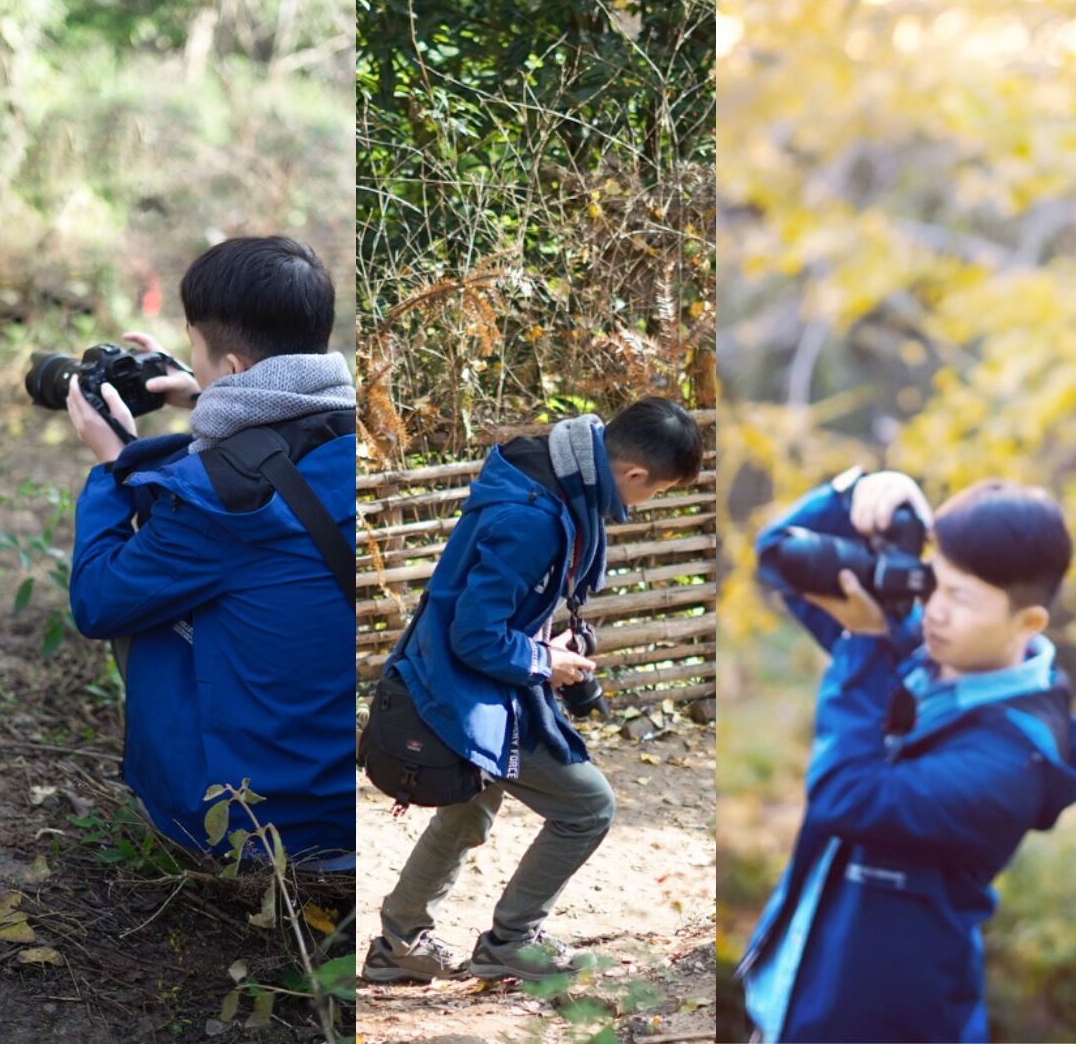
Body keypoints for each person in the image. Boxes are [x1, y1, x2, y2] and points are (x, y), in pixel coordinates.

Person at [360, 397, 705, 983]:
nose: (652, 502)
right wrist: (544, 660)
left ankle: (399, 945)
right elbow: (475, 635)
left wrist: (545, 633)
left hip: (469, 681)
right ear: (635, 474)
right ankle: (511, 942)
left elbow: (499, 600)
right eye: (659, 491)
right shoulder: (536, 517)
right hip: (466, 690)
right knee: (588, 807)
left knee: (467, 810)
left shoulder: (552, 468)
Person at [738, 468, 1076, 1043]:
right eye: (933, 581)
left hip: (881, 1023)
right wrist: (862, 495)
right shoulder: (933, 649)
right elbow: (778, 557)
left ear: (1029, 622)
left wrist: (866, 648)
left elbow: (849, 798)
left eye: (961, 598)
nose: (933, 610)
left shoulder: (1017, 758)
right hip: (795, 1004)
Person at [65, 236, 356, 868]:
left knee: (147, 597)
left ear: (228, 367)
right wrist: (202, 395)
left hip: (265, 827)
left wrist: (113, 463)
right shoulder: (354, 434)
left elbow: (96, 601)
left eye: (195, 346)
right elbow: (284, 452)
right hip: (345, 798)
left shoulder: (216, 499)